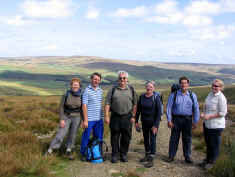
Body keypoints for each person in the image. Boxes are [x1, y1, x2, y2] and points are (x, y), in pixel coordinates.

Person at [105, 71, 138, 163]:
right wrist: (107, 116)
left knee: (126, 137)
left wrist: (134, 116)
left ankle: (123, 154)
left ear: (127, 80)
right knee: (114, 136)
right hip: (115, 116)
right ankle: (115, 154)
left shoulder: (131, 90)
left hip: (127, 116)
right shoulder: (112, 90)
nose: (122, 80)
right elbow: (107, 103)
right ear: (118, 79)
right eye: (120, 78)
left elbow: (135, 104)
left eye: (124, 78)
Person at [166, 76, 200, 163]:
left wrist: (195, 121)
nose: (183, 85)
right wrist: (169, 120)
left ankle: (187, 157)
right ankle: (171, 156)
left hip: (188, 120)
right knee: (174, 138)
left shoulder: (192, 95)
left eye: (185, 83)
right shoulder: (174, 95)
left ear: (188, 84)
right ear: (179, 84)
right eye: (182, 83)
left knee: (187, 139)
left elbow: (196, 109)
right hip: (176, 119)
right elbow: (169, 108)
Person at [47, 78, 83, 159]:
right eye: (74, 85)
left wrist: (83, 120)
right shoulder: (66, 94)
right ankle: (50, 150)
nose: (75, 86)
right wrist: (62, 119)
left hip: (77, 117)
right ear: (71, 85)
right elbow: (61, 107)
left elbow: (83, 108)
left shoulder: (82, 95)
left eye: (77, 85)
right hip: (66, 116)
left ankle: (69, 150)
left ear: (79, 86)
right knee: (61, 133)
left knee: (73, 134)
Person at [199, 79, 227, 169]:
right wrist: (203, 113)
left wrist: (209, 116)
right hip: (207, 124)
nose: (214, 87)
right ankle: (207, 160)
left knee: (214, 144)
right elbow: (206, 106)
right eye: (213, 85)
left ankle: (212, 163)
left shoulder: (221, 98)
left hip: (216, 125)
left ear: (221, 87)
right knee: (208, 143)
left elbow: (222, 113)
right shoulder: (210, 94)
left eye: (216, 86)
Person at [135, 81, 161, 168]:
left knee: (152, 139)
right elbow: (138, 110)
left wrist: (156, 125)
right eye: (147, 86)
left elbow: (159, 113)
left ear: (153, 88)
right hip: (144, 122)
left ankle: (151, 159)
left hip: (153, 123)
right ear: (145, 87)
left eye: (151, 86)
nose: (149, 88)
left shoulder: (156, 97)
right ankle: (147, 155)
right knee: (146, 139)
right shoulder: (142, 97)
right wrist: (136, 122)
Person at [80, 72, 104, 160]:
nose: (96, 81)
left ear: (100, 81)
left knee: (99, 137)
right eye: (95, 79)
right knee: (86, 136)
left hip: (99, 119)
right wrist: (85, 120)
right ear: (91, 80)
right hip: (89, 119)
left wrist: (103, 117)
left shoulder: (101, 91)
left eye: (98, 80)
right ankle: (83, 153)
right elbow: (84, 105)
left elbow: (100, 104)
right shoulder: (86, 90)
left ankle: (97, 152)